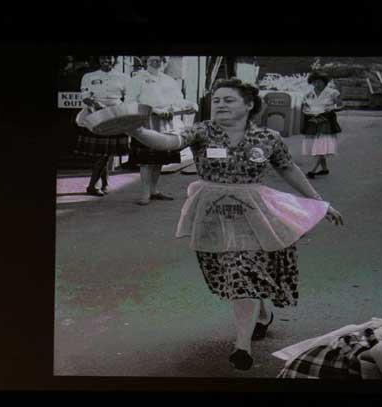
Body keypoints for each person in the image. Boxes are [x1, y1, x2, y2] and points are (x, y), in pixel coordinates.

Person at [127, 78, 343, 370]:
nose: (220, 105)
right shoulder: (203, 130)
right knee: (233, 272)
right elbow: (169, 142)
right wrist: (134, 129)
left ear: (249, 104)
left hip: (256, 212)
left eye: (228, 100)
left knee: (243, 270)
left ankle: (242, 346)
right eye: (216, 100)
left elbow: (288, 169)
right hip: (212, 213)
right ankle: (262, 314)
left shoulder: (268, 137)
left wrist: (320, 202)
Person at [125, 56, 199, 205]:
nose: (156, 62)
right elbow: (130, 101)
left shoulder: (169, 80)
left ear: (164, 62)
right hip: (145, 121)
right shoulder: (137, 79)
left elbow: (178, 100)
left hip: (167, 122)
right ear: (146, 61)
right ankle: (145, 193)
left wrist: (190, 104)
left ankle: (154, 190)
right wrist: (153, 110)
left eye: (160, 59)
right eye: (152, 59)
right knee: (146, 160)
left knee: (158, 159)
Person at [74, 56, 131, 196]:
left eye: (109, 58)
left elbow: (129, 97)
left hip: (115, 115)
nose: (106, 60)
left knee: (106, 152)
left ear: (114, 60)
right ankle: (93, 186)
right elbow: (85, 96)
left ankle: (102, 184)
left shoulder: (123, 77)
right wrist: (96, 104)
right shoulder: (89, 76)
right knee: (104, 152)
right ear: (99, 60)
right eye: (103, 58)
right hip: (95, 115)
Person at [301, 71, 344, 178]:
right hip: (313, 121)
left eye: (319, 81)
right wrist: (307, 111)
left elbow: (341, 105)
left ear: (324, 82)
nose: (317, 84)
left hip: (326, 121)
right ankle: (324, 169)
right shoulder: (309, 94)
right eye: (314, 82)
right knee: (316, 145)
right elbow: (304, 108)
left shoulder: (333, 93)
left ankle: (313, 170)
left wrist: (332, 108)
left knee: (321, 145)